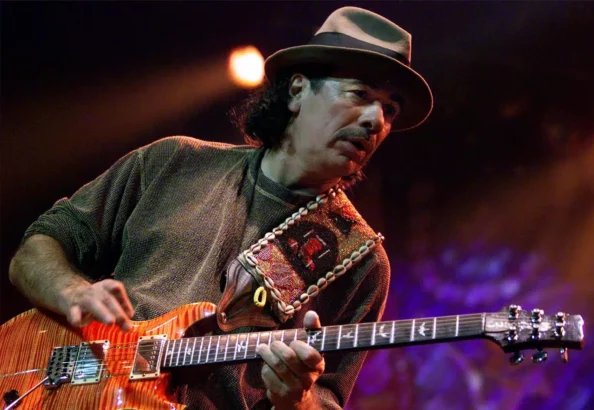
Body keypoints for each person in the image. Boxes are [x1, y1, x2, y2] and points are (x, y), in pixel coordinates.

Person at [8, 6, 432, 410]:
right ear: (298, 90)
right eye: (360, 94)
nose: (376, 121)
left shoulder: (360, 261)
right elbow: (37, 248)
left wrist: (297, 398)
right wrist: (73, 291)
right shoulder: (174, 161)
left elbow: (326, 398)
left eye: (390, 109)